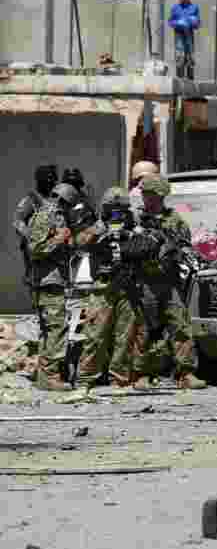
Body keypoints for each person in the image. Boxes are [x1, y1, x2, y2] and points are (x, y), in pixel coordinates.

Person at [131, 175, 207, 390]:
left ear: (161, 196)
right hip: (145, 281)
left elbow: (185, 247)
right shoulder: (135, 219)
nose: (148, 199)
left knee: (180, 325)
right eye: (145, 194)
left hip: (169, 281)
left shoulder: (174, 220)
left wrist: (182, 253)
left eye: (152, 195)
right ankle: (142, 374)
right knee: (145, 329)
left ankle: (186, 372)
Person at [74, 187, 143, 390]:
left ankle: (118, 379)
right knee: (95, 335)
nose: (116, 213)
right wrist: (100, 230)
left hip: (127, 285)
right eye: (112, 209)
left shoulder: (134, 222)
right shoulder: (95, 223)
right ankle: (86, 378)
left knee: (125, 336)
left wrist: (130, 234)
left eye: (120, 209)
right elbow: (79, 243)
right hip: (102, 286)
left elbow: (147, 244)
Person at [28, 182, 95, 390]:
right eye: (69, 205)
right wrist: (59, 239)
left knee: (51, 330)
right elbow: (34, 249)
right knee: (56, 329)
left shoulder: (57, 216)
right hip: (48, 282)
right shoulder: (46, 215)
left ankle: (45, 375)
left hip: (55, 280)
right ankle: (50, 377)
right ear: (64, 200)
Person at [14, 164, 59, 293]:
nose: (51, 183)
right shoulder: (31, 200)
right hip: (37, 250)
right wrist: (30, 235)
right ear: (40, 180)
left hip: (55, 248)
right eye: (47, 180)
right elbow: (18, 221)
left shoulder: (57, 199)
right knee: (37, 284)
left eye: (52, 180)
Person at [168, 0, 200, 79]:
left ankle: (190, 81)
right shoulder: (175, 8)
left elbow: (198, 24)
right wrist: (178, 23)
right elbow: (170, 21)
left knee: (190, 57)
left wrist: (193, 21)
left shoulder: (194, 7)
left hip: (189, 36)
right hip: (179, 36)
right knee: (179, 57)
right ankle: (180, 81)